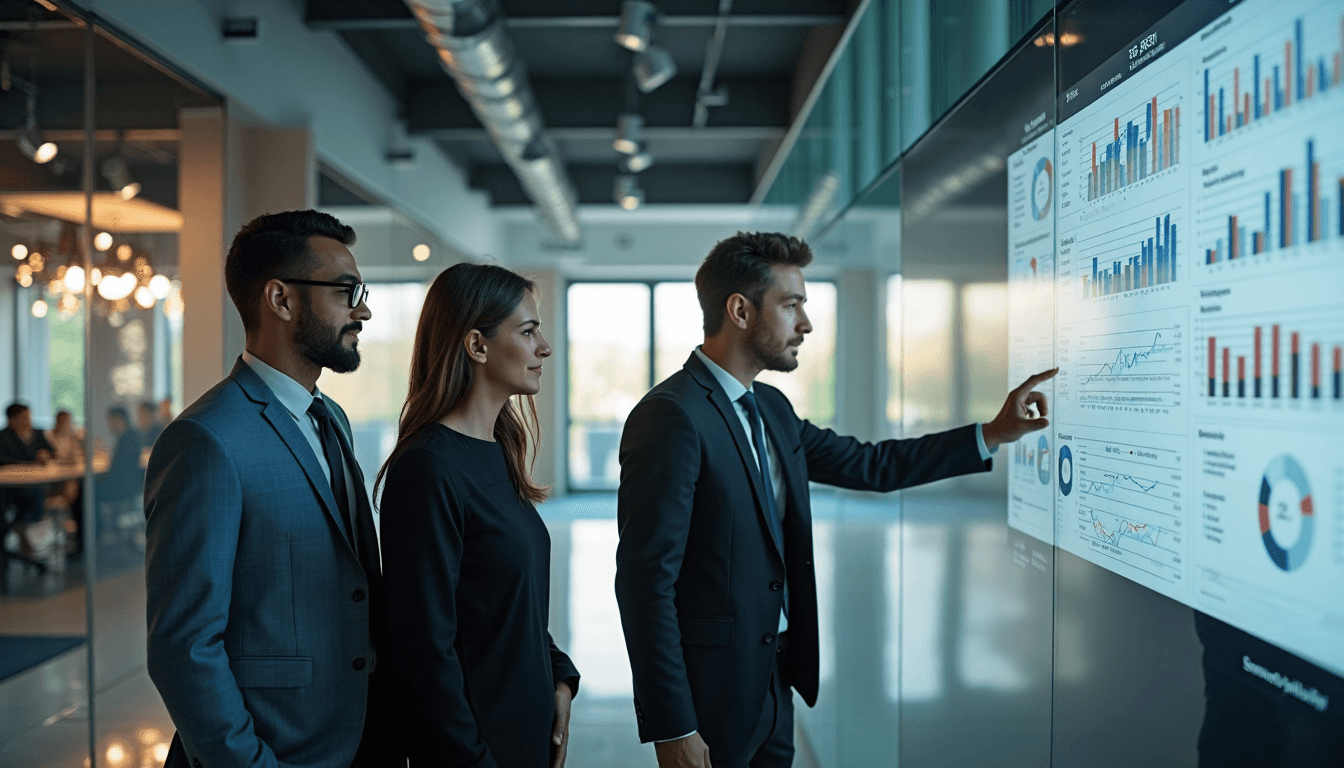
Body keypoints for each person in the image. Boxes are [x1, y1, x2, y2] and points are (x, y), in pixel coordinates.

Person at [614, 232, 1057, 768]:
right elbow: (645, 583)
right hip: (711, 697)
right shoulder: (672, 415)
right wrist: (673, 724)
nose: (806, 323)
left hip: (775, 687)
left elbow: (872, 464)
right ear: (740, 310)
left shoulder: (772, 408)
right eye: (792, 304)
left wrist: (991, 432)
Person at [144, 210, 397, 768]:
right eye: (345, 291)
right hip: (275, 749)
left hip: (357, 736)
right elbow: (184, 647)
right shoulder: (205, 439)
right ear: (280, 300)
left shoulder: (329, 417)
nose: (363, 309)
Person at [378, 263, 579, 767]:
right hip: (478, 751)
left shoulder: (497, 448)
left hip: (525, 732)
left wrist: (558, 675)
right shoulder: (427, 468)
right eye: (528, 331)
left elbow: (505, 604)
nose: (544, 348)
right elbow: (425, 651)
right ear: (478, 345)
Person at [0, 403, 54, 525]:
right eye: (24, 417)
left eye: (28, 417)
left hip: (38, 479)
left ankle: (20, 526)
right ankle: (19, 526)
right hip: (13, 484)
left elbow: (51, 451)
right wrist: (32, 462)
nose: (28, 420)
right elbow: (4, 460)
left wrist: (46, 454)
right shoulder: (3, 437)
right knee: (35, 494)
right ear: (12, 419)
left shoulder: (37, 433)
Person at [97, 407, 144, 508]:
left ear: (119, 420)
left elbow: (115, 470)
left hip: (121, 487)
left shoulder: (126, 440)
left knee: (88, 489)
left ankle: (94, 523)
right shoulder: (131, 436)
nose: (109, 425)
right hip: (131, 485)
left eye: (111, 421)